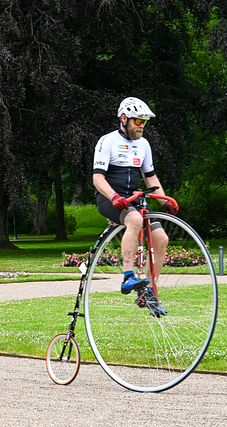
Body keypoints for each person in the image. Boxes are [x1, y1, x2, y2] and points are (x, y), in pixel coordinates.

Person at [92, 97, 177, 312]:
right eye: (138, 122)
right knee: (135, 219)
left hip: (134, 199)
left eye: (144, 123)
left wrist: (165, 200)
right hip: (110, 198)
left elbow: (150, 178)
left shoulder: (143, 144)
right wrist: (114, 197)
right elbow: (98, 179)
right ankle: (128, 276)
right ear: (124, 118)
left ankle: (148, 292)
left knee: (161, 238)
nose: (141, 127)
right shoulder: (107, 141)